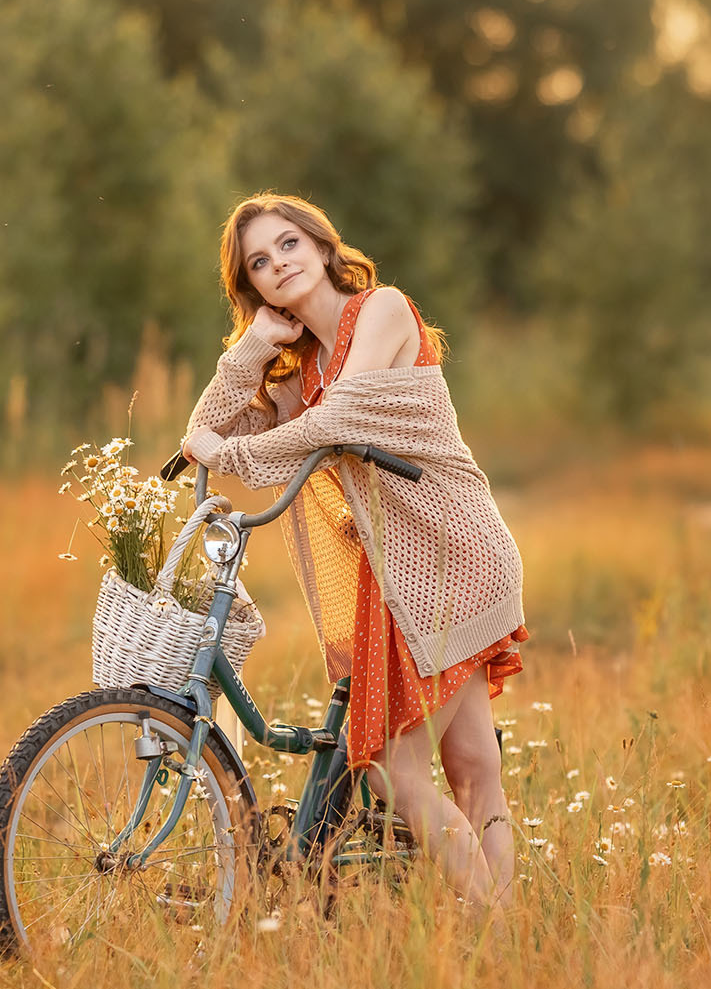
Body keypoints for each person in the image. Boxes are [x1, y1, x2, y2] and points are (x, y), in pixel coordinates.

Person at [182, 193, 528, 909]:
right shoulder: (296, 374)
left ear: (320, 244)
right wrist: (251, 348)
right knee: (470, 764)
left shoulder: (383, 311)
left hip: (454, 550)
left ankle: (492, 924)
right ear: (251, 287)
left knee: (394, 770)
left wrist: (232, 454)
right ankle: (506, 932)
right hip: (396, 571)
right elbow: (201, 433)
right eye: (259, 262)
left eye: (288, 244)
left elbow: (337, 419)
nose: (280, 263)